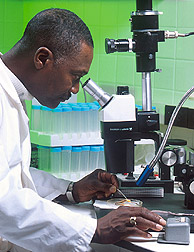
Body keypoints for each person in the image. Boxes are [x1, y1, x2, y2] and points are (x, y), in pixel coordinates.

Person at [0, 8, 166, 252]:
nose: (76, 89)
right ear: (42, 59)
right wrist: (94, 230)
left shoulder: (14, 92)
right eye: (75, 76)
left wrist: (72, 190)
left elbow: (12, 175)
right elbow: (4, 202)